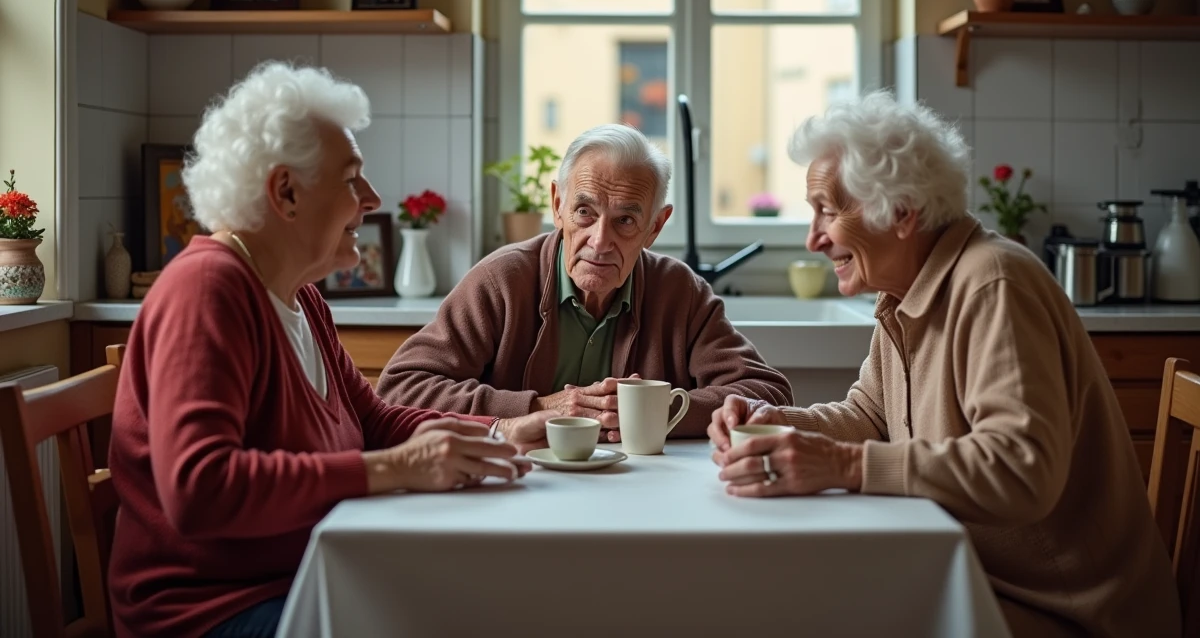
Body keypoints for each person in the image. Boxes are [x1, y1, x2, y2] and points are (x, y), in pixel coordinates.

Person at [707, 91, 1179, 637]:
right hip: (982, 579)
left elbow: (1021, 468)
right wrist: (777, 424)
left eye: (828, 211)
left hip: (1075, 613)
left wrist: (842, 464)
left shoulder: (993, 284)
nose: (813, 239)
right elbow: (869, 416)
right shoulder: (905, 293)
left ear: (901, 212)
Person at [107, 62, 552, 638]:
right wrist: (397, 468)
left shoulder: (300, 296)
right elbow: (201, 488)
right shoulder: (207, 290)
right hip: (212, 611)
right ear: (286, 193)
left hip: (299, 576)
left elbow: (372, 420)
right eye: (351, 179)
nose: (372, 198)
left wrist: (500, 431)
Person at [375, 124, 793, 440]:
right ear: (558, 205)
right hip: (517, 485)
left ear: (654, 227)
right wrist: (538, 408)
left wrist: (656, 410)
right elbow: (400, 388)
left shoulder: (679, 291)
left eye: (625, 220)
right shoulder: (502, 279)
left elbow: (767, 393)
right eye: (584, 212)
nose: (600, 241)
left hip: (639, 492)